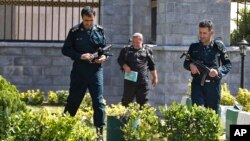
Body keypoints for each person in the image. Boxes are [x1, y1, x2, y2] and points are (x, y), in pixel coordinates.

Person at [62, 6, 107, 140]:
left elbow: (104, 49)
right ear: (82, 18)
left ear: (94, 18)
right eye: (86, 20)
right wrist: (80, 56)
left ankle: (99, 134)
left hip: (95, 71)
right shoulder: (75, 31)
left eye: (91, 20)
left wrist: (104, 57)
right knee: (74, 100)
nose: (88, 23)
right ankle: (63, 127)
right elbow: (65, 50)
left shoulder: (99, 30)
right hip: (79, 72)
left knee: (98, 102)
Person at [183, 19, 232, 114]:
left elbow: (228, 64)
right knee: (198, 114)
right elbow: (186, 63)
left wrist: (218, 71)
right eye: (200, 32)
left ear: (211, 32)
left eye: (204, 33)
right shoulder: (193, 47)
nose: (201, 36)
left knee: (213, 115)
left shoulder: (219, 46)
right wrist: (191, 66)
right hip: (197, 85)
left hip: (213, 87)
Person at [117, 33, 158, 107]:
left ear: (141, 41)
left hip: (142, 82)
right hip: (130, 81)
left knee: (143, 104)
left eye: (137, 42)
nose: (135, 44)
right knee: (126, 102)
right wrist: (125, 66)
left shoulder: (147, 50)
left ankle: (142, 118)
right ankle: (125, 118)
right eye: (133, 42)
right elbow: (120, 60)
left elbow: (151, 65)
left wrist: (155, 77)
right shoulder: (125, 50)